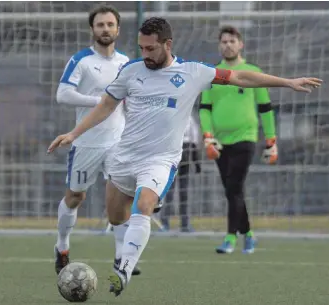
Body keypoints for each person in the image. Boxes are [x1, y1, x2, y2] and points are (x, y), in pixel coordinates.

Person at [47, 17, 321, 296]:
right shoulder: (131, 71)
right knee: (117, 217)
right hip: (124, 157)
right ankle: (120, 244)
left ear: (167, 44)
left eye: (151, 48)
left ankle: (124, 269)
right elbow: (106, 104)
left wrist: (287, 82)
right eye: (141, 48)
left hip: (160, 160)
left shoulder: (193, 72)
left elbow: (240, 76)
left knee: (144, 204)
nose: (145, 54)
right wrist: (74, 133)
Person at [54, 5, 140, 276]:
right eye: (100, 25)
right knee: (75, 197)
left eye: (110, 24)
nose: (105, 29)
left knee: (120, 198)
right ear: (92, 29)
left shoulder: (126, 63)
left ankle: (120, 257)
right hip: (86, 143)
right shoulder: (81, 60)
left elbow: (130, 101)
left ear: (118, 29)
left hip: (118, 142)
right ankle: (62, 245)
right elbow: (63, 95)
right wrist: (101, 101)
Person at [199, 26, 277, 254]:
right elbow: (204, 109)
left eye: (232, 41)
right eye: (223, 41)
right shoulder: (212, 74)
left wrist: (271, 140)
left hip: (246, 138)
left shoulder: (252, 71)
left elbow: (265, 108)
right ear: (219, 45)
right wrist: (208, 137)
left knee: (234, 186)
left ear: (240, 44)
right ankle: (249, 234)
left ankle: (230, 238)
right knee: (232, 190)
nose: (228, 45)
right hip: (219, 142)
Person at [160, 114, 201, 232]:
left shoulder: (190, 119)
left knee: (184, 193)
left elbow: (194, 144)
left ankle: (185, 224)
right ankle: (165, 223)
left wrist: (196, 163)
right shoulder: (171, 116)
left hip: (185, 158)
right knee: (169, 192)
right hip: (172, 156)